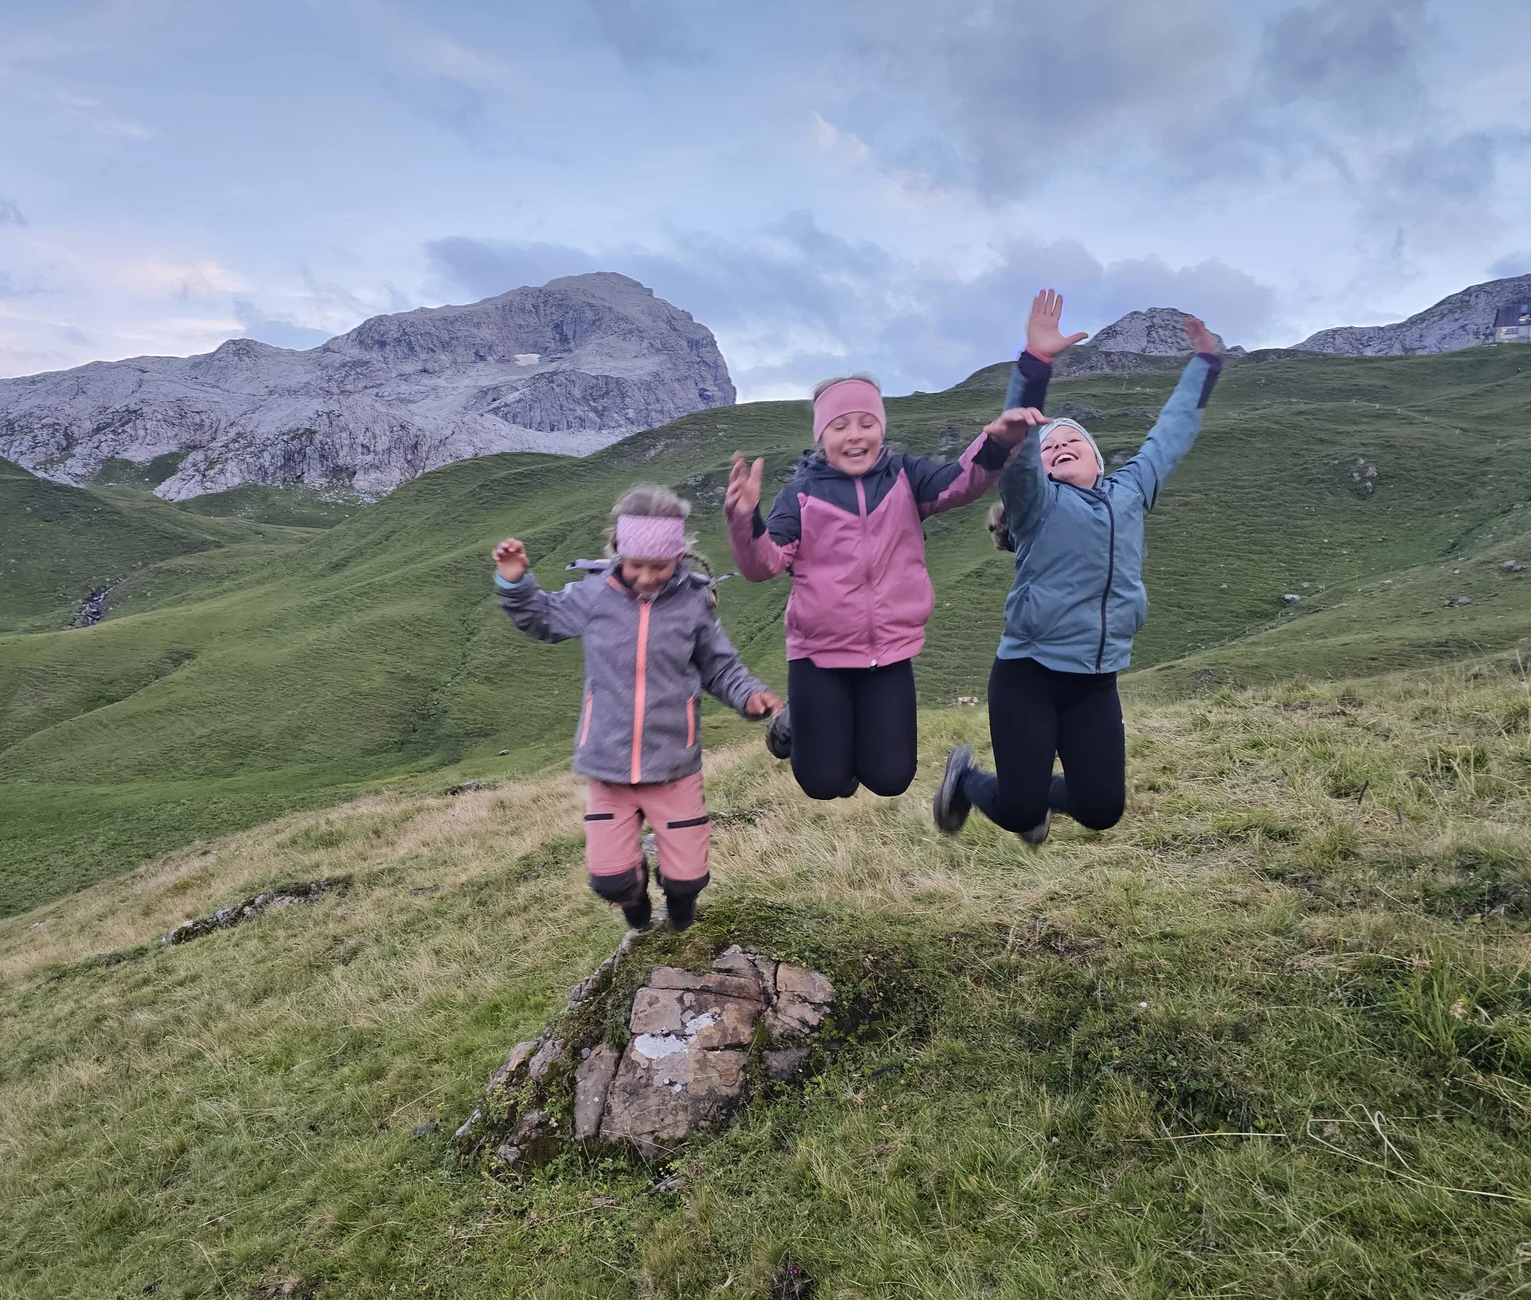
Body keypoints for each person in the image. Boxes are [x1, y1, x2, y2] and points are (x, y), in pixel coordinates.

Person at [721, 290, 1078, 801]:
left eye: (867, 423)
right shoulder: (800, 494)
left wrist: (1004, 429)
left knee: (890, 779)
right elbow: (763, 565)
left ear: (881, 428)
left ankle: (828, 728)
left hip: (887, 653)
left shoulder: (905, 476)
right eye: (840, 425)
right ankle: (800, 724)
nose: (856, 434)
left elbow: (963, 482)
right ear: (822, 436)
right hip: (818, 656)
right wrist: (743, 517)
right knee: (823, 783)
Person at [933, 310, 1226, 844]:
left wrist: (1206, 364)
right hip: (1028, 676)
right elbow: (1020, 444)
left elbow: (1172, 433)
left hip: (1094, 681)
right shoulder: (1036, 503)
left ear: (1098, 459)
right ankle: (968, 780)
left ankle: (1029, 792)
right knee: (1020, 810)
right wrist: (1035, 366)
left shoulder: (1131, 491)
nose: (1060, 446)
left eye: (1074, 442)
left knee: (1101, 808)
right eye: (1050, 447)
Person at [493, 484, 781, 931]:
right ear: (618, 552)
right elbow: (543, 618)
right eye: (636, 565)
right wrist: (515, 584)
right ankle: (636, 909)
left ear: (679, 557)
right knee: (610, 880)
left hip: (674, 766)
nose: (647, 576)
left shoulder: (694, 603)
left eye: (659, 566)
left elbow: (720, 667)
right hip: (608, 765)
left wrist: (750, 696)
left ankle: (681, 910)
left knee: (688, 878)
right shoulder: (594, 595)